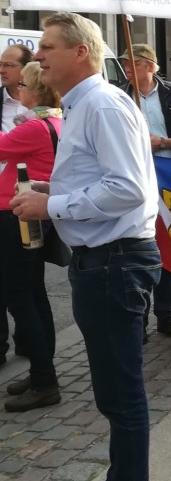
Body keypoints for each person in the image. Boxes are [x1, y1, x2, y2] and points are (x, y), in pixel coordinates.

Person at [10, 12, 161, 481]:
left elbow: (128, 189)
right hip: (103, 262)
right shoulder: (84, 104)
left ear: (80, 52)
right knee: (114, 392)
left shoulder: (102, 106)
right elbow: (98, 179)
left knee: (121, 393)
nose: (37, 57)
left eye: (47, 47)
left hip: (113, 263)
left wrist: (51, 207)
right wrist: (48, 190)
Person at [120, 44, 171, 336]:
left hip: (170, 179)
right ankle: (137, 320)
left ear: (151, 66)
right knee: (137, 249)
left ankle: (166, 313)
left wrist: (165, 143)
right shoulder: (118, 97)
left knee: (168, 247)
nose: (128, 67)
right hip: (131, 180)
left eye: (135, 62)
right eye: (125, 62)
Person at [0, 61, 61, 411]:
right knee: (34, 295)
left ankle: (44, 379)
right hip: (26, 214)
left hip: (16, 216)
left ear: (35, 89)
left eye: (22, 85)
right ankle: (42, 369)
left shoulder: (35, 126)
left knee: (21, 298)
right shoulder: (50, 120)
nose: (17, 90)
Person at [0, 43, 32, 361]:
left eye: (9, 64)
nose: (3, 69)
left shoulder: (40, 110)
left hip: (21, 201)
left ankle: (29, 342)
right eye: (1, 64)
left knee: (23, 285)